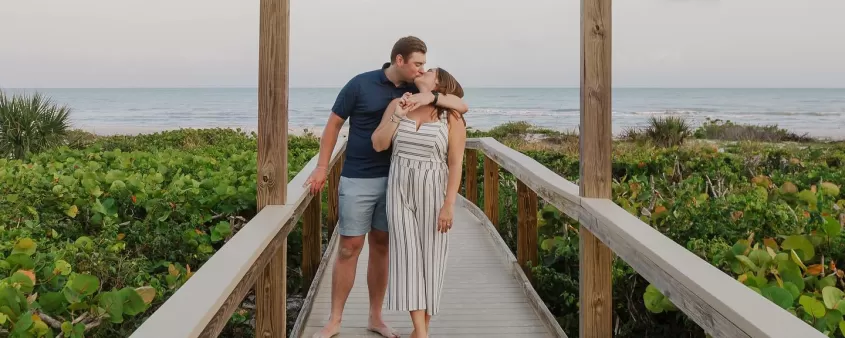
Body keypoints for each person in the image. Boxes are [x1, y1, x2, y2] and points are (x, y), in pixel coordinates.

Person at [304, 36, 468, 338]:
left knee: (383, 247)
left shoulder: (419, 93)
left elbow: (460, 103)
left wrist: (430, 98)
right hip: (359, 176)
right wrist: (322, 167)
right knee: (349, 247)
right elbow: (334, 125)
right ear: (400, 60)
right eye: (418, 64)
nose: (422, 69)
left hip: (396, 184)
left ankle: (376, 318)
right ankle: (335, 319)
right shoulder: (362, 85)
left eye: (426, 67)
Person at [370, 67, 467, 338]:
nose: (423, 69)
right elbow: (378, 144)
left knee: (432, 259)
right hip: (399, 188)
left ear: (440, 82)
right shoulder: (397, 103)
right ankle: (421, 332)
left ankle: (421, 330)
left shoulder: (452, 115)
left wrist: (449, 205)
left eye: (431, 69)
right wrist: (397, 118)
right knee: (407, 258)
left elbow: (455, 162)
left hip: (434, 189)